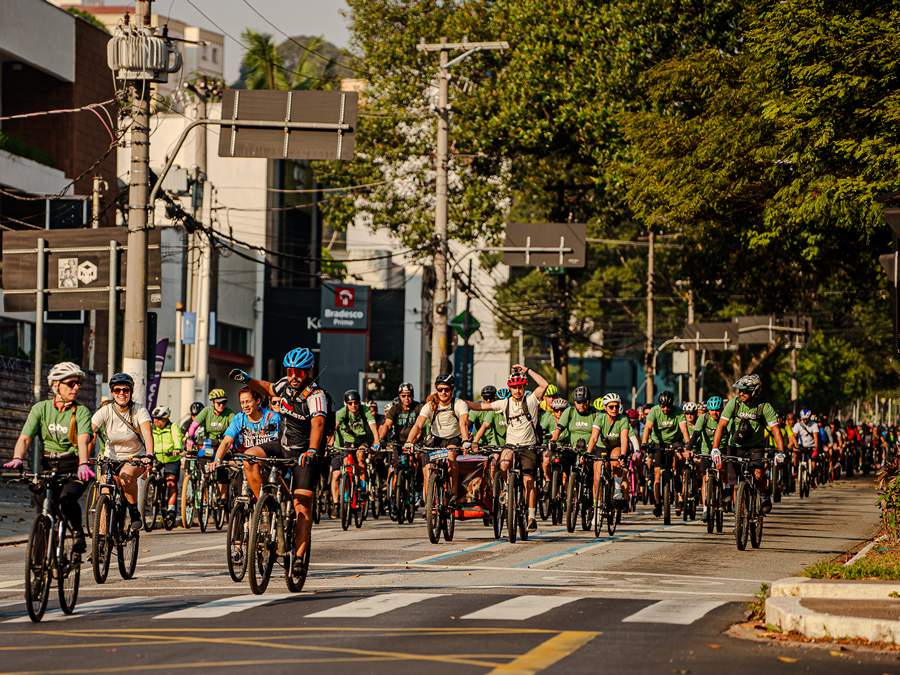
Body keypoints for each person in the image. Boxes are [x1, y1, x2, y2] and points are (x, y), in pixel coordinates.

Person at [228, 347, 329, 573]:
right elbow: (269, 388)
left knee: (302, 506)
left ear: (308, 372)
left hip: (305, 454)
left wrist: (312, 450)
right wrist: (247, 379)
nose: (294, 377)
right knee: (249, 457)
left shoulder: (316, 396)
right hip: (281, 446)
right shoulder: (285, 384)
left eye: (299, 373)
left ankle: (300, 558)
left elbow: (318, 424)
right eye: (291, 371)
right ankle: (263, 508)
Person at [4, 362, 94, 553]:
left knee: (67, 499)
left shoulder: (81, 411)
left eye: (78, 384)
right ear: (55, 386)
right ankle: (41, 559)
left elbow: (83, 439)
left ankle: (77, 532)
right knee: (43, 507)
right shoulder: (41, 408)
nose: (76, 387)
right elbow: (25, 437)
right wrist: (17, 457)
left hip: (74, 465)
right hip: (48, 465)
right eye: (71, 384)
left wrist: (83, 463)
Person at [467, 364, 549, 531]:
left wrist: (527, 370)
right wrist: (462, 403)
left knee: (529, 481)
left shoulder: (532, 400)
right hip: (511, 445)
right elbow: (481, 406)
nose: (517, 390)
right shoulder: (504, 403)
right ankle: (506, 488)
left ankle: (531, 516)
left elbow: (544, 385)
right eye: (514, 388)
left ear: (524, 386)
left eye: (520, 387)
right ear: (510, 388)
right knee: (503, 464)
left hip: (528, 446)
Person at [712, 374, 784, 514]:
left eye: (745, 391)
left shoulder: (764, 406)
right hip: (734, 446)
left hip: (755, 447)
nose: (741, 393)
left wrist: (780, 452)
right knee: (733, 482)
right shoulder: (734, 403)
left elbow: (775, 430)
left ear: (755, 391)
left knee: (758, 474)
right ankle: (739, 518)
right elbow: (721, 426)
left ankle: (763, 495)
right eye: (740, 390)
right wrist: (715, 449)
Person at [91, 372, 154, 531]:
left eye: (125, 390)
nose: (121, 393)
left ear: (131, 392)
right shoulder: (106, 410)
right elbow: (90, 430)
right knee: (104, 492)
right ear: (112, 392)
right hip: (110, 458)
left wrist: (149, 455)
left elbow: (147, 433)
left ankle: (134, 512)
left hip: (135, 457)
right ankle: (101, 541)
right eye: (117, 390)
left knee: (126, 478)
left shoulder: (139, 410)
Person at [405, 373, 471, 507]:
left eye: (446, 389)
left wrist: (465, 441)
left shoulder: (459, 403)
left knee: (452, 455)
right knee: (428, 467)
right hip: (436, 439)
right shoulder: (430, 405)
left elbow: (463, 423)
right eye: (440, 389)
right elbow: (418, 425)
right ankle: (430, 501)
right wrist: (409, 441)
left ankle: (453, 492)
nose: (443, 392)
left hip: (453, 438)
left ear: (452, 390)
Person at [211, 387, 281, 503]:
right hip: (245, 462)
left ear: (257, 401)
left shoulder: (272, 417)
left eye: (248, 401)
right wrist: (217, 459)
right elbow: (227, 441)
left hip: (266, 462)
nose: (245, 406)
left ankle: (265, 507)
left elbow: (275, 444)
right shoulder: (239, 418)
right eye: (242, 403)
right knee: (239, 490)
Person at [640, 391, 690, 517]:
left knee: (677, 466)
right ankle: (657, 504)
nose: (665, 409)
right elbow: (648, 428)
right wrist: (644, 442)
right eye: (663, 406)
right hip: (658, 443)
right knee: (657, 475)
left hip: (675, 441)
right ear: (660, 405)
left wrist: (688, 445)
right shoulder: (654, 411)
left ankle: (679, 494)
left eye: (668, 406)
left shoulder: (678, 412)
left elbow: (684, 429)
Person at [331, 390, 381, 505]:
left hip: (363, 439)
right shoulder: (341, 412)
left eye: (356, 403)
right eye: (350, 403)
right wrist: (328, 443)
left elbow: (373, 425)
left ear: (359, 403)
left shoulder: (365, 410)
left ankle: (363, 487)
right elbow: (334, 428)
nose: (353, 405)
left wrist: (377, 440)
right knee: (346, 463)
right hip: (348, 441)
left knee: (360, 456)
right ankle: (346, 489)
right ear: (346, 404)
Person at [187, 389, 235, 505]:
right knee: (203, 464)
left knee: (223, 469)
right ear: (213, 402)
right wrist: (190, 438)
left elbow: (234, 428)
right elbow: (194, 425)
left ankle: (223, 497)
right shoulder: (206, 411)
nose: (222, 405)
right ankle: (205, 491)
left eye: (224, 402)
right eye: (219, 403)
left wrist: (232, 443)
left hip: (223, 444)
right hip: (209, 444)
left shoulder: (229, 413)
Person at [688, 396, 723, 520]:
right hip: (706, 451)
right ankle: (705, 508)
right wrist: (689, 448)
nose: (715, 413)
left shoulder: (724, 419)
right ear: (708, 410)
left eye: (718, 410)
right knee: (705, 479)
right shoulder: (703, 418)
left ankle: (724, 493)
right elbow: (695, 435)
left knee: (723, 471)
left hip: (722, 450)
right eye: (712, 410)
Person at [594, 392, 631, 503]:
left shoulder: (623, 419)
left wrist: (623, 455)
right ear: (605, 407)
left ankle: (617, 488)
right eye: (611, 406)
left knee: (615, 460)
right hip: (602, 447)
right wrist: (586, 453)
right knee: (597, 476)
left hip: (616, 446)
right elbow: (593, 438)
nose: (614, 409)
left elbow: (624, 438)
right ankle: (597, 506)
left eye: (617, 406)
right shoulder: (600, 418)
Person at [150, 406, 184, 517]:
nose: (156, 421)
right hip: (157, 458)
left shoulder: (172, 427)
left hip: (171, 458)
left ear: (165, 419)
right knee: (151, 475)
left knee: (170, 482)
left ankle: (171, 508)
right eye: (154, 418)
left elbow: (177, 438)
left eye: (158, 419)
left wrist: (177, 449)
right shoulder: (152, 428)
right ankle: (152, 493)